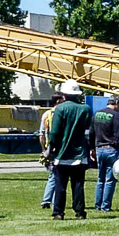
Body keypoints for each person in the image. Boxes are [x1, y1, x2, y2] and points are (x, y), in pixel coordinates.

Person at [46, 80, 95, 220]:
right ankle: (80, 212)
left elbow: (54, 133)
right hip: (79, 154)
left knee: (60, 185)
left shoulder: (60, 109)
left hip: (62, 154)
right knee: (78, 185)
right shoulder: (85, 109)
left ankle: (58, 213)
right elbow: (87, 128)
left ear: (64, 94)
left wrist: (51, 148)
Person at [93, 95, 119, 212]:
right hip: (111, 149)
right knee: (110, 180)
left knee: (100, 179)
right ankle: (105, 207)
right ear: (116, 102)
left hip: (99, 148)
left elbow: (92, 132)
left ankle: (98, 205)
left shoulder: (97, 114)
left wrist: (92, 148)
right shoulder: (115, 116)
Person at [37, 91, 64, 209]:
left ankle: (47, 199)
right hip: (59, 148)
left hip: (49, 147)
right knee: (56, 175)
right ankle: (52, 201)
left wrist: (44, 150)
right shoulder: (61, 113)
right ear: (58, 101)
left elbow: (41, 135)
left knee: (53, 174)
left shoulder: (46, 115)